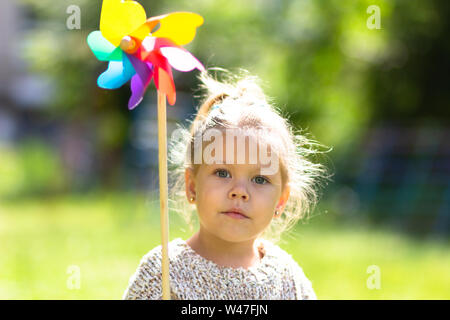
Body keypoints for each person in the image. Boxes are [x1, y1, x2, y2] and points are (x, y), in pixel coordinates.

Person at [123, 69, 330, 300]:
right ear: (192, 186)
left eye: (260, 179)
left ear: (281, 200)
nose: (239, 192)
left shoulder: (288, 281)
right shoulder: (162, 273)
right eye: (222, 172)